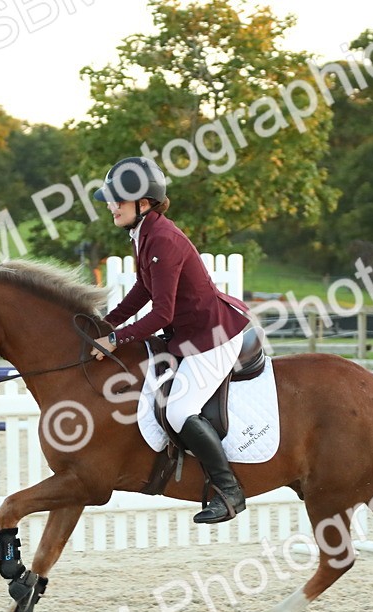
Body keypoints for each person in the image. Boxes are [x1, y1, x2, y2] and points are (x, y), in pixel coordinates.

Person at [88, 157, 251, 524]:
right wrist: (106, 324)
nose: (110, 205)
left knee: (179, 410)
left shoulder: (162, 237)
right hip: (187, 335)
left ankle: (229, 491)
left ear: (143, 203)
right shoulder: (145, 233)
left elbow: (161, 313)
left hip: (213, 336)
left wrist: (117, 339)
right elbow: (143, 289)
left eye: (117, 199)